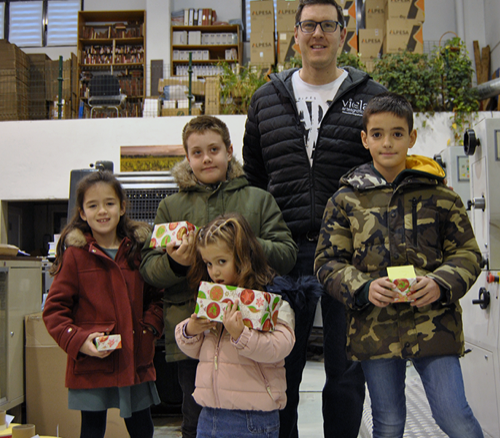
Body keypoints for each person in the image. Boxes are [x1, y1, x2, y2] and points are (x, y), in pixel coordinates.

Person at [242, 1, 386, 436]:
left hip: (350, 255)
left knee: (346, 372)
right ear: (296, 35)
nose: (317, 33)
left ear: (344, 34)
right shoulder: (266, 100)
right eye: (309, 25)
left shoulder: (371, 96)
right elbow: (254, 176)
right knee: (279, 368)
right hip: (283, 254)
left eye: (328, 25)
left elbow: (385, 168)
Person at [314, 92, 484, 438]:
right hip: (375, 329)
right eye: (377, 134)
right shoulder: (346, 199)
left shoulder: (440, 195)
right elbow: (327, 261)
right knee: (388, 421)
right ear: (365, 139)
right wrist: (363, 287)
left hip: (434, 325)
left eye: (397, 133)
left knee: (455, 416)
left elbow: (467, 254)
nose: (387, 142)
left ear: (411, 137)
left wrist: (440, 283)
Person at [140, 115, 297, 438]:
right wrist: (177, 264)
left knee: (258, 410)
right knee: (195, 419)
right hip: (195, 333)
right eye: (197, 152)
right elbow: (148, 270)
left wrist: (245, 244)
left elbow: (287, 254)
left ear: (229, 151)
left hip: (253, 329)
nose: (206, 158)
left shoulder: (258, 199)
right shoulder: (170, 207)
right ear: (187, 158)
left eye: (214, 149)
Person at [43, 170, 163, 438]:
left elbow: (157, 297)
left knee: (142, 426)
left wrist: (149, 329)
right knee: (92, 428)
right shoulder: (75, 256)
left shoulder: (138, 250)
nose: (102, 211)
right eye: (93, 205)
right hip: (93, 362)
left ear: (122, 207)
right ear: (82, 213)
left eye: (109, 203)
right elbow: (54, 311)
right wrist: (80, 341)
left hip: (134, 359)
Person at [174, 213, 297, 438]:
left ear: (243, 257)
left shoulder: (270, 296)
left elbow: (282, 345)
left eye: (222, 261)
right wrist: (190, 330)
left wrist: (241, 335)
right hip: (209, 413)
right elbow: (195, 350)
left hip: (253, 417)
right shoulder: (212, 297)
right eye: (208, 263)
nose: (215, 271)